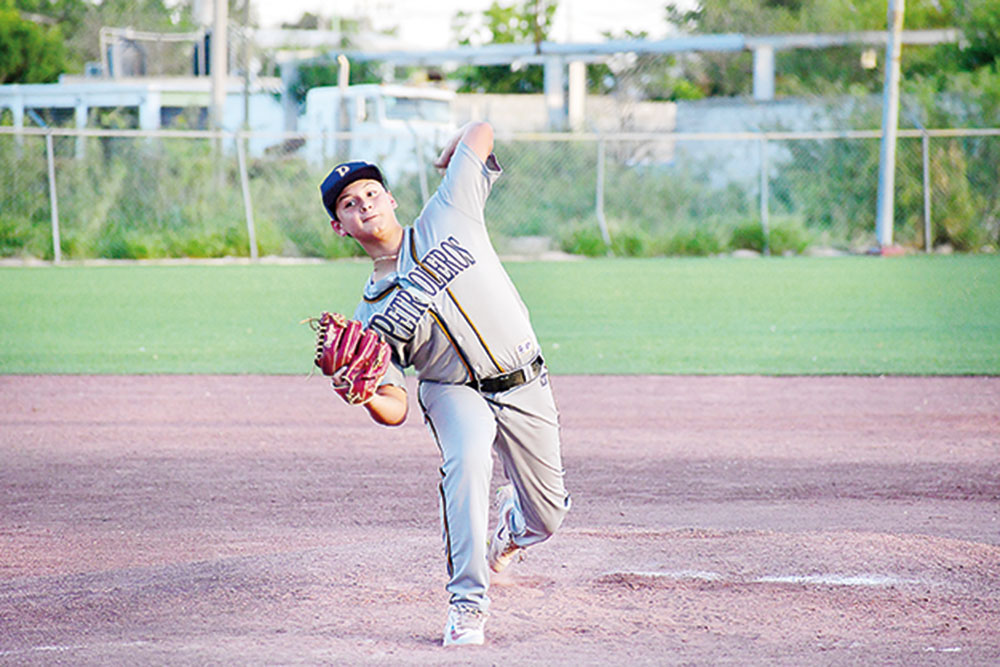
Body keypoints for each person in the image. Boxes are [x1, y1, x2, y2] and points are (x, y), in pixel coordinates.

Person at [318, 121, 570, 647]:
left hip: (523, 380)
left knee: (548, 518)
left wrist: (447, 154)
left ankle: (511, 530)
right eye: (347, 203)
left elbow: (482, 130)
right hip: (453, 391)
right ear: (341, 227)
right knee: (468, 464)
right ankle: (467, 606)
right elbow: (396, 407)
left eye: (369, 192)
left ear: (389, 198)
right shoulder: (371, 317)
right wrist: (364, 393)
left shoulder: (448, 212)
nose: (363, 204)